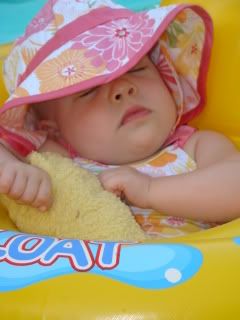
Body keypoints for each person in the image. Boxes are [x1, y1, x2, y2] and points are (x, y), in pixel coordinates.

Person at [0, 0, 240, 232]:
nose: (123, 88)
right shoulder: (56, 157)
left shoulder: (196, 146)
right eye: (89, 90)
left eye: (136, 68)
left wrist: (150, 191)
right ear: (53, 128)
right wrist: (11, 170)